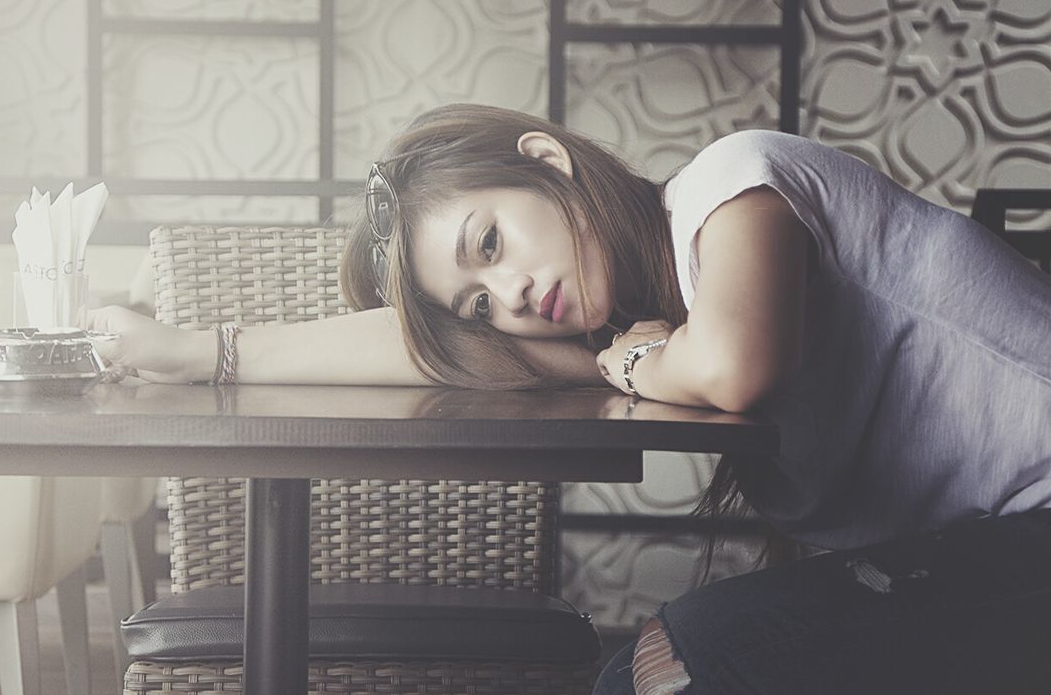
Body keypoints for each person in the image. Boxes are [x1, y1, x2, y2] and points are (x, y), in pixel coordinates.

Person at [88, 103, 1051, 694]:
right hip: (991, 559)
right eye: (480, 297)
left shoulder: (733, 185)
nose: (506, 297)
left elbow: (731, 369)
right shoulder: (641, 325)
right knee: (645, 672)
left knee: (688, 658)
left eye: (492, 242)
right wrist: (201, 353)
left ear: (548, 163)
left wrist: (630, 366)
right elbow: (436, 353)